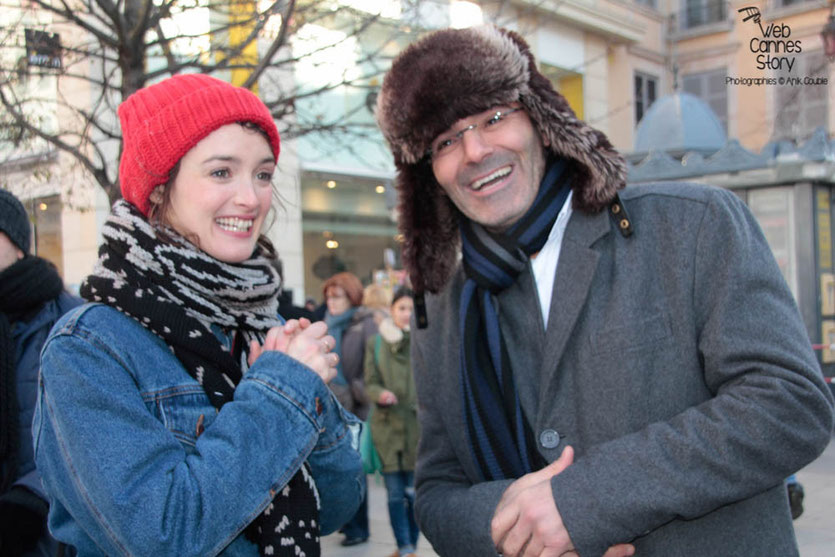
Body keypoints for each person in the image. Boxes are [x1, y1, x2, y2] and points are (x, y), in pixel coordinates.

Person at [375, 25, 835, 557]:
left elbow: (790, 404)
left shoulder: (693, 225)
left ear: (541, 120)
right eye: (446, 141)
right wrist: (517, 530)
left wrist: (582, 502)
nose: (475, 151)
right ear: (428, 171)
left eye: (493, 118)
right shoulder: (442, 307)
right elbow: (436, 489)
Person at [33, 74, 363, 557]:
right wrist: (282, 395)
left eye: (263, 174)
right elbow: (161, 535)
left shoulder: (261, 326)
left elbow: (336, 507)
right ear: (161, 188)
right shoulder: (89, 347)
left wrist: (307, 391)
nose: (251, 198)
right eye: (221, 172)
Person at [0, 190, 81, 557]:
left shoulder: (71, 319)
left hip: (42, 533)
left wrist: (29, 499)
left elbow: (84, 431)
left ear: (17, 243)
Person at [321, 271, 378, 546]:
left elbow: (375, 368)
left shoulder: (365, 323)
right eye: (329, 297)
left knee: (356, 468)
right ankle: (347, 521)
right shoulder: (327, 323)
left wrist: (357, 391)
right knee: (338, 467)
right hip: (331, 405)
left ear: (351, 297)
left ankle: (359, 527)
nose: (332, 302)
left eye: (338, 297)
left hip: (357, 406)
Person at [364, 287, 420, 557]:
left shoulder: (425, 342)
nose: (407, 314)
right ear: (392, 310)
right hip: (387, 428)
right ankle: (405, 546)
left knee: (416, 495)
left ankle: (412, 545)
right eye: (402, 308)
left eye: (411, 308)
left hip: (419, 430)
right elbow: (370, 382)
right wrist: (379, 394)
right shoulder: (375, 343)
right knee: (395, 494)